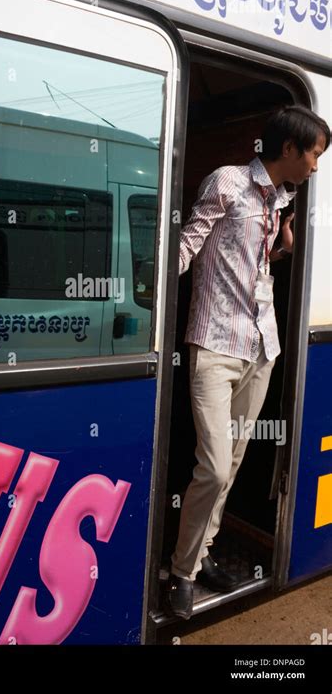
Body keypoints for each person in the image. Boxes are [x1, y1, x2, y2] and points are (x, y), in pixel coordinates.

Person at [169, 105, 330, 620]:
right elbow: (189, 243)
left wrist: (279, 253)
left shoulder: (281, 198)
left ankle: (202, 553)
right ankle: (180, 572)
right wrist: (144, 294)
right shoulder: (227, 182)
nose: (316, 167)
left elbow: (246, 260)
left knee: (233, 463)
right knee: (213, 467)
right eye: (315, 154)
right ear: (289, 149)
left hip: (262, 346)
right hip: (215, 346)